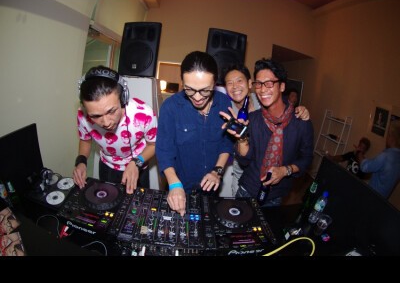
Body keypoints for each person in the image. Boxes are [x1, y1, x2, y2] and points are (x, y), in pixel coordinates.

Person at [221, 58, 314, 207]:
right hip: (247, 189)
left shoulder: (301, 122)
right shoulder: (253, 119)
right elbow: (245, 161)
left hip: (276, 195)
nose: (262, 89)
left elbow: (306, 158)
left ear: (282, 86)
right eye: (259, 84)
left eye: (269, 83)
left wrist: (285, 170)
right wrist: (242, 138)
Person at [156, 51, 234, 216]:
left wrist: (217, 171)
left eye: (205, 90)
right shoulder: (170, 107)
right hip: (178, 186)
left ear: (215, 83)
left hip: (212, 186)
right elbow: (164, 151)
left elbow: (226, 143)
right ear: (182, 82)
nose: (197, 97)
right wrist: (174, 184)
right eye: (189, 90)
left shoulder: (225, 103)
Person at [73, 66, 157, 194]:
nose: (106, 123)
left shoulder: (144, 113)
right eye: (95, 116)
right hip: (107, 167)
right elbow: (85, 140)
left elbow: (154, 145)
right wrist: (81, 161)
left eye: (111, 111)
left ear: (123, 98)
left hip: (138, 165)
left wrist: (136, 163)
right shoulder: (83, 115)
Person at [359, 120, 400, 198]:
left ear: (391, 137)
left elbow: (365, 167)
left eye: (388, 134)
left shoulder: (386, 156)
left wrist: (359, 153)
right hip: (383, 200)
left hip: (372, 198)